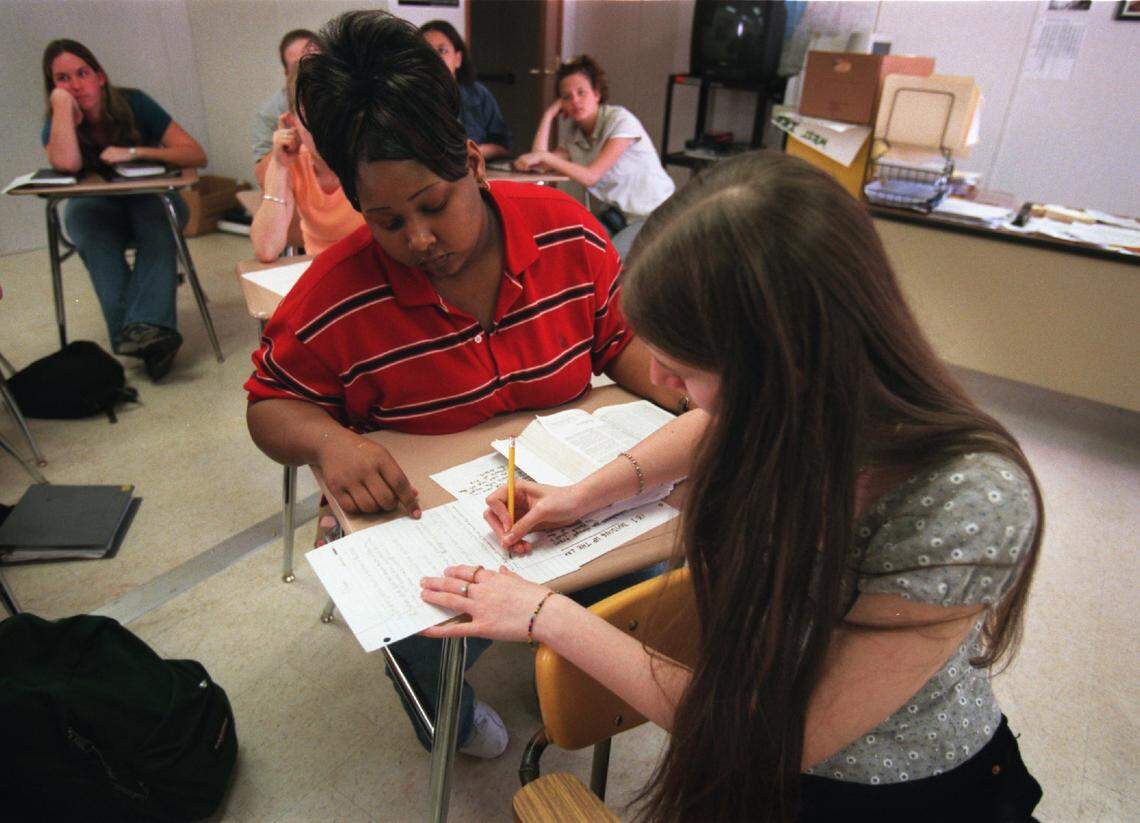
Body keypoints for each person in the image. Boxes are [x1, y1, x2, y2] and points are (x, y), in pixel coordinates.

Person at [421, 152, 1045, 820]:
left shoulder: (964, 502)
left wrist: (545, 613)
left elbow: (765, 737)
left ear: (781, 363)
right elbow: (706, 425)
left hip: (887, 792)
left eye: (685, 366)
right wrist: (582, 494)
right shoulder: (800, 402)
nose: (659, 379)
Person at [244, 10, 685, 760]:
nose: (417, 238)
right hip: (437, 521)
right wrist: (328, 440)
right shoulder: (334, 292)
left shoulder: (566, 233)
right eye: (386, 220)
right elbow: (268, 403)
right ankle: (443, 713)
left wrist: (682, 388)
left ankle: (589, 667)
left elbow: (615, 340)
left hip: (576, 492)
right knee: (419, 631)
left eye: (433, 205)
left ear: (475, 164)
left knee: (652, 572)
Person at [42, 39, 207, 381]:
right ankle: (146, 336)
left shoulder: (134, 103)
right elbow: (67, 163)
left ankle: (142, 330)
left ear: (100, 76)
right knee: (84, 220)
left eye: (82, 73)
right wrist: (61, 107)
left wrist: (134, 152)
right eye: (62, 79)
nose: (74, 84)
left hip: (150, 199)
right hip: (100, 209)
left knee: (157, 218)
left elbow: (194, 154)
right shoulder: (57, 119)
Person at [513, 54, 674, 251]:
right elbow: (541, 162)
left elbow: (591, 176)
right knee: (576, 249)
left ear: (596, 93)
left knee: (610, 261)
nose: (575, 101)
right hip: (620, 215)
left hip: (653, 213)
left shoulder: (620, 120)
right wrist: (548, 115)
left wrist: (544, 156)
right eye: (566, 97)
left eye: (581, 93)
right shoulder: (575, 134)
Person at [249, 62, 365, 262]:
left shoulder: (367, 158)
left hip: (371, 269)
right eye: (312, 117)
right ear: (292, 122)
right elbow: (266, 249)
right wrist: (279, 165)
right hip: (319, 268)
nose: (326, 130)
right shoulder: (294, 161)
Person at [419, 20, 511, 160]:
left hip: (473, 173)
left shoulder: (478, 94)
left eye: (442, 51)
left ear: (458, 59)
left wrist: (475, 151)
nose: (434, 58)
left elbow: (504, 146)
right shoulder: (407, 96)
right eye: (427, 52)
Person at [252, 29, 317, 187]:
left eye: (315, 60)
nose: (310, 71)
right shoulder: (271, 111)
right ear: (288, 74)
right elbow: (263, 180)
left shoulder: (347, 94)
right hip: (299, 187)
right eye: (299, 66)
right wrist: (279, 153)